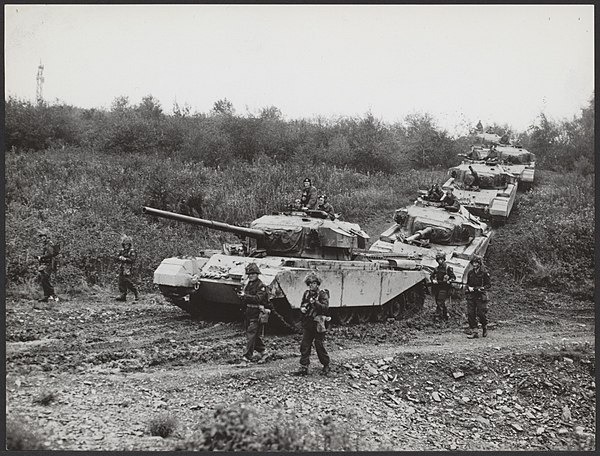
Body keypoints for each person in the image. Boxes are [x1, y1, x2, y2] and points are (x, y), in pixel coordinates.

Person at [293, 272, 331, 376]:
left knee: (319, 345)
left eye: (313, 283)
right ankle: (304, 366)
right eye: (309, 283)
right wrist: (303, 308)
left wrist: (315, 303)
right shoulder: (306, 293)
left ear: (317, 284)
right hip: (308, 323)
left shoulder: (323, 294)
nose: (311, 285)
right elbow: (302, 304)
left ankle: (326, 364)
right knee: (305, 345)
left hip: (319, 323)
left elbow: (325, 308)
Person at [238, 263, 271, 363]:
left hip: (257, 313)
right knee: (254, 336)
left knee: (251, 335)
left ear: (257, 274)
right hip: (249, 312)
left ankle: (247, 357)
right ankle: (264, 352)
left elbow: (258, 298)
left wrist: (245, 296)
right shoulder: (249, 284)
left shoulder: (261, 286)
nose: (250, 276)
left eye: (253, 273)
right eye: (249, 274)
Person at [465, 256, 491, 338]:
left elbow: (488, 285)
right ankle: (474, 331)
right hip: (471, 295)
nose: (475, 264)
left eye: (476, 263)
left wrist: (482, 288)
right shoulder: (470, 273)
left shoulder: (484, 273)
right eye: (473, 263)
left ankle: (484, 326)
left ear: (479, 264)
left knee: (481, 313)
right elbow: (468, 283)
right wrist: (469, 288)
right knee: (470, 313)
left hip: (480, 295)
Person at [430, 252, 456, 321]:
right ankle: (445, 314)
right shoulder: (436, 269)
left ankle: (437, 317)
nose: (440, 261)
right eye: (438, 259)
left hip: (444, 288)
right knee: (439, 302)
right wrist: (433, 280)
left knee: (440, 301)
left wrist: (450, 280)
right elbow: (431, 277)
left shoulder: (448, 268)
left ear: (444, 259)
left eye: (441, 259)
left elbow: (453, 277)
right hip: (437, 287)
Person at [36, 228, 59, 303]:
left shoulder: (49, 244)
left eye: (43, 236)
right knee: (43, 279)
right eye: (41, 236)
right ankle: (47, 296)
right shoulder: (46, 244)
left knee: (45, 279)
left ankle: (53, 296)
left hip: (49, 264)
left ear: (46, 236)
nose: (42, 238)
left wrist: (41, 257)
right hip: (45, 264)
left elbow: (50, 254)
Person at [116, 235, 139, 302]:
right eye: (124, 244)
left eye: (127, 244)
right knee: (121, 282)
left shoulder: (132, 251)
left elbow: (132, 260)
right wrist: (119, 258)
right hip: (122, 267)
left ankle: (136, 293)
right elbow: (116, 258)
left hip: (129, 268)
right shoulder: (122, 251)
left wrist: (125, 259)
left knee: (128, 282)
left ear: (129, 245)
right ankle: (123, 296)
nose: (126, 246)